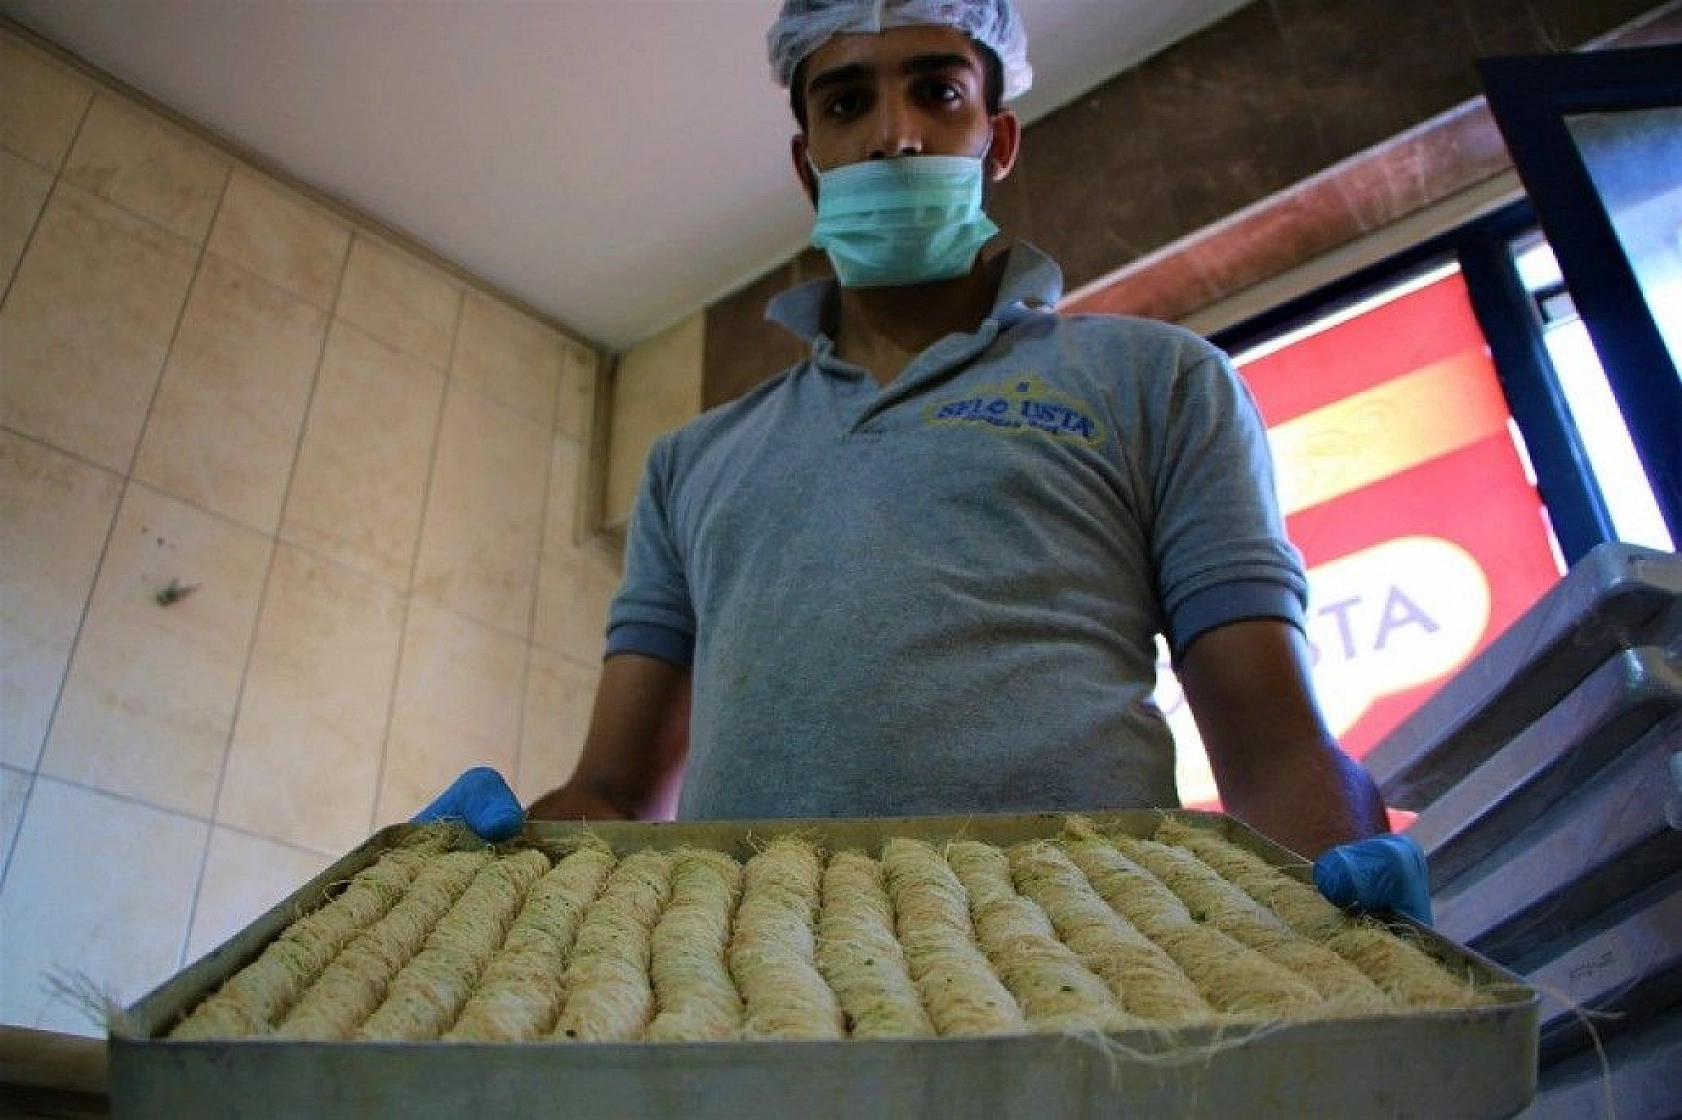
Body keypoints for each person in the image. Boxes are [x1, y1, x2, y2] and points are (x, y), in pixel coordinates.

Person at [419, 0, 1430, 923]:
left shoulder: (1155, 383)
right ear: (806, 159)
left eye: (936, 92)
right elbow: (612, 793)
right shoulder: (692, 463)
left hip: (1088, 961)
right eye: (846, 101)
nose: (892, 134)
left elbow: (1270, 749)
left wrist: (1347, 919)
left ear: (995, 139)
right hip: (754, 980)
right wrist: (486, 875)